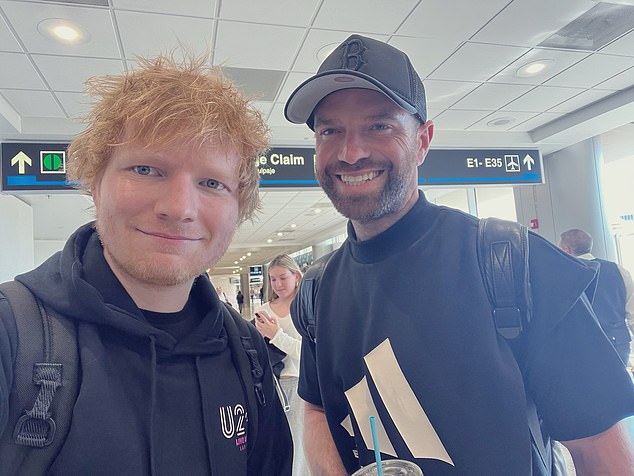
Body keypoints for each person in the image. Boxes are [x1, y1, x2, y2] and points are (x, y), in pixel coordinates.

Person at [284, 34, 634, 475]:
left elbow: (599, 447)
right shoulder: (317, 291)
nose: (351, 152)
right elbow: (316, 408)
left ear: (424, 140)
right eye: (330, 130)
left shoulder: (514, 265)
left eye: (379, 125)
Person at [0, 53, 292, 475]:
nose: (179, 208)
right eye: (147, 169)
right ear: (95, 183)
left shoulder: (246, 353)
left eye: (211, 182)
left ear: (238, 206)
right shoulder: (14, 335)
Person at [254, 254, 306, 476]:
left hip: (300, 385)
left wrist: (276, 335)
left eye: (283, 278)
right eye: (273, 279)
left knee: (299, 445)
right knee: (275, 444)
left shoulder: (306, 307)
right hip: (271, 385)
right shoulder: (264, 310)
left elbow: (309, 354)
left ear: (296, 276)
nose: (278, 284)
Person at [560, 228, 634, 365]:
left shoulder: (563, 276)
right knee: (618, 385)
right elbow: (632, 314)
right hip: (617, 343)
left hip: (581, 345)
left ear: (566, 250)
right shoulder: (619, 270)